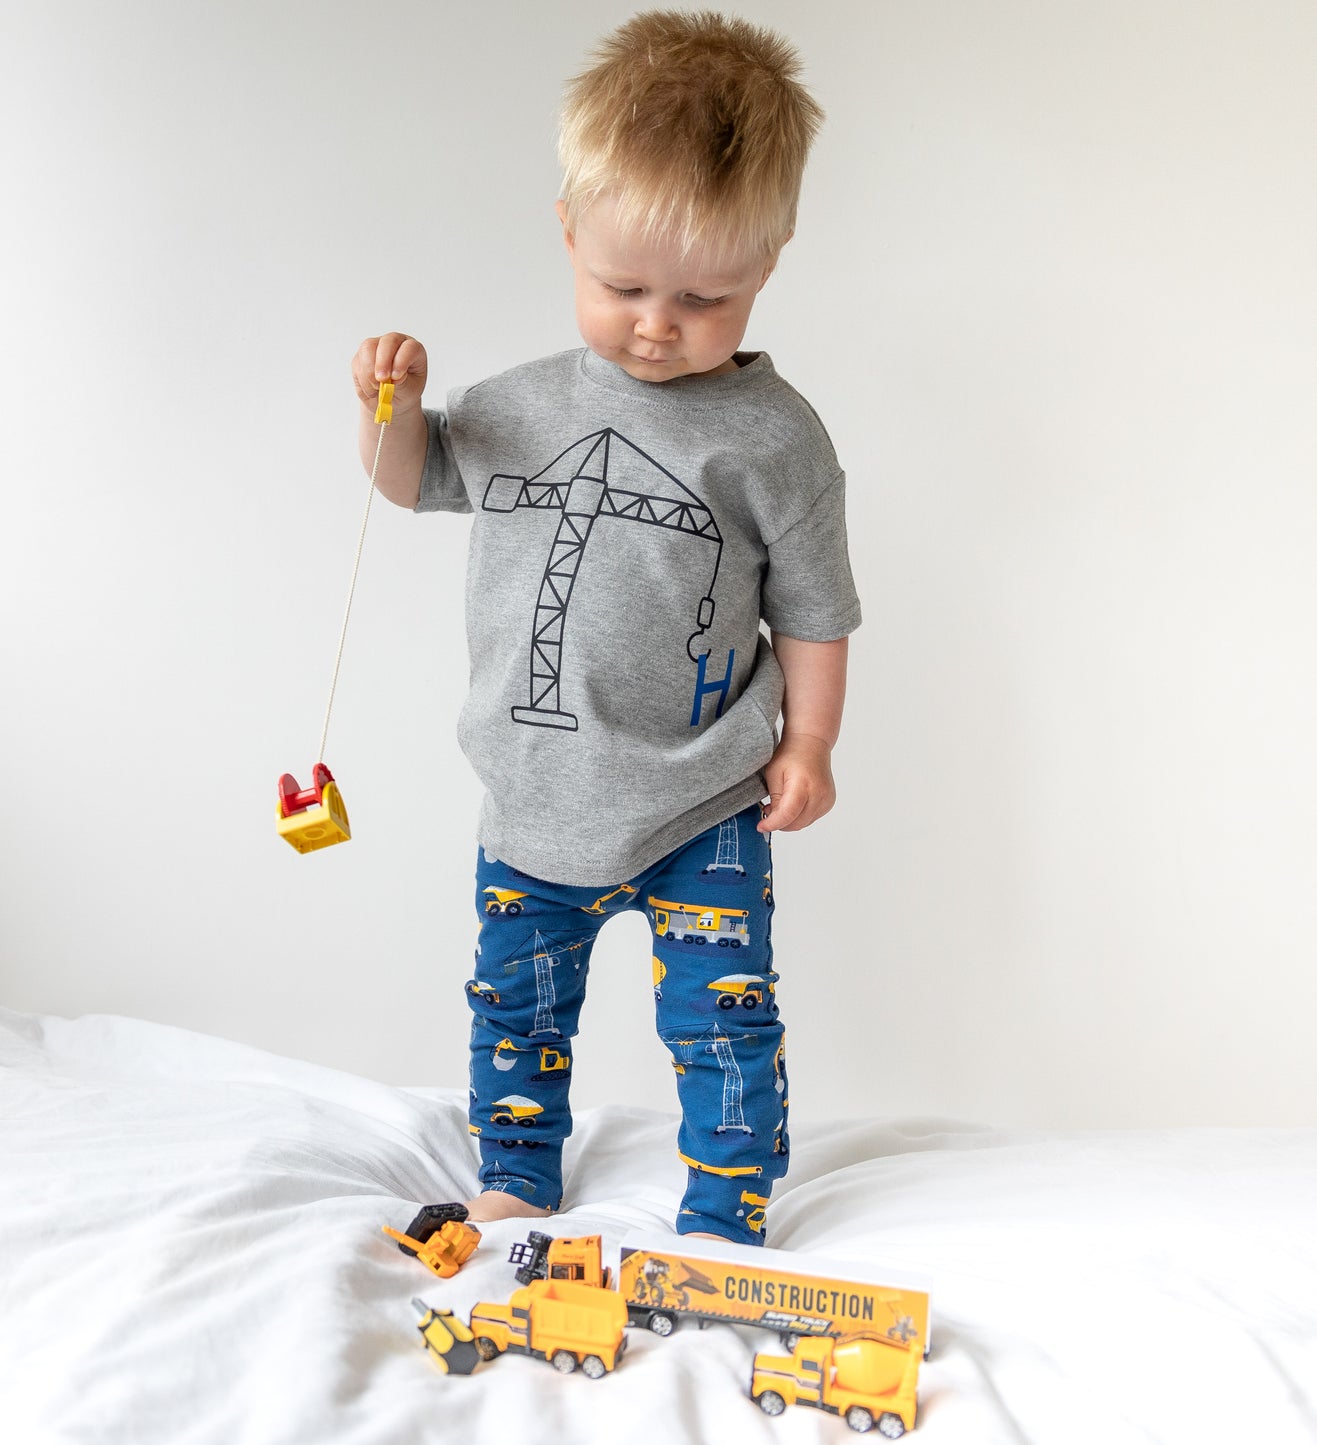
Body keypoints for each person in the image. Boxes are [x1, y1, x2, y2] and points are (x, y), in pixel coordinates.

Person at [351, 10, 860, 1246]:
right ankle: (517, 1171)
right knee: (515, 1012)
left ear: (769, 261)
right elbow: (407, 481)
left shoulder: (775, 441)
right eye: (622, 287)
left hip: (705, 803)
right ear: (569, 230)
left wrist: (808, 743)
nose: (655, 322)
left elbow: (814, 610)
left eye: (703, 297)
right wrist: (389, 408)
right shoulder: (517, 410)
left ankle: (725, 1204)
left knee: (723, 1020)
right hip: (534, 798)